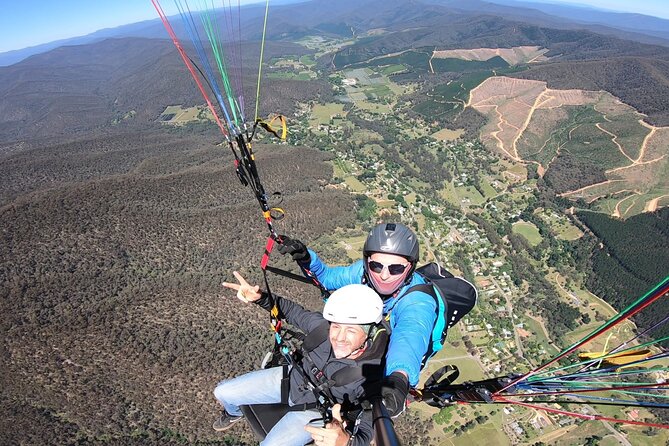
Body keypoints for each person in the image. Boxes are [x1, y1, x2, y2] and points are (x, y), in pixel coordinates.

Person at [279, 223, 444, 415]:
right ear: (367, 262)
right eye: (376, 265)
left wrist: (398, 379)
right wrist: (307, 258)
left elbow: (409, 337)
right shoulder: (363, 274)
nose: (383, 275)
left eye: (396, 268)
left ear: (411, 268)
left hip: (394, 351)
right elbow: (326, 277)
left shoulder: (417, 302)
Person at [213, 272, 388, 446]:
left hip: (318, 411)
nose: (339, 338)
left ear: (369, 334)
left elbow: (370, 422)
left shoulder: (370, 372)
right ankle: (234, 413)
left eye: (351, 331)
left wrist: (347, 442)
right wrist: (260, 297)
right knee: (222, 392)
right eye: (336, 327)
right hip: (293, 379)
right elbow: (291, 311)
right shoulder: (322, 329)